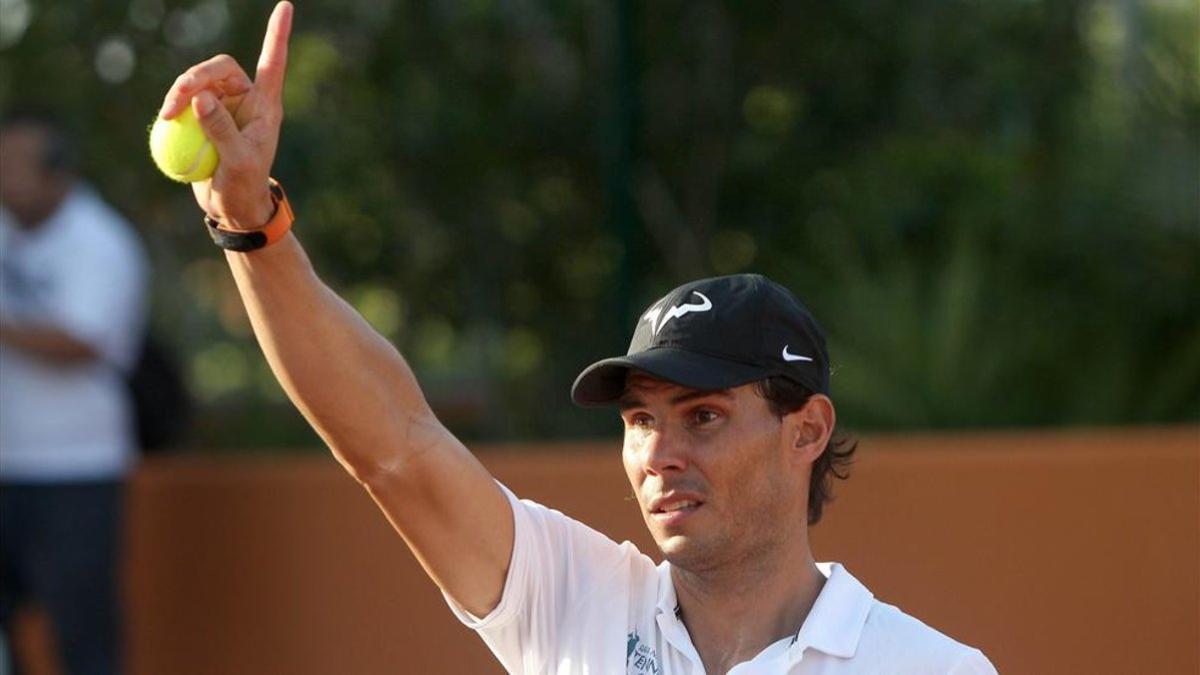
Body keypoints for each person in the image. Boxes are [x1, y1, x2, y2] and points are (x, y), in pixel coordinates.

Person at [156, 3, 997, 672]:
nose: (660, 451)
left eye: (701, 415)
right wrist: (247, 222)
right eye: (639, 420)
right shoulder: (575, 601)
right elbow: (394, 445)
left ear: (806, 429)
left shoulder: (931, 667)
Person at [0, 110, 148, 675]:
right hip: (6, 466)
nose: (4, 175)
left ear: (58, 173)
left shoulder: (101, 242)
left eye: (16, 164)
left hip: (77, 470)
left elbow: (81, 340)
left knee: (82, 631)